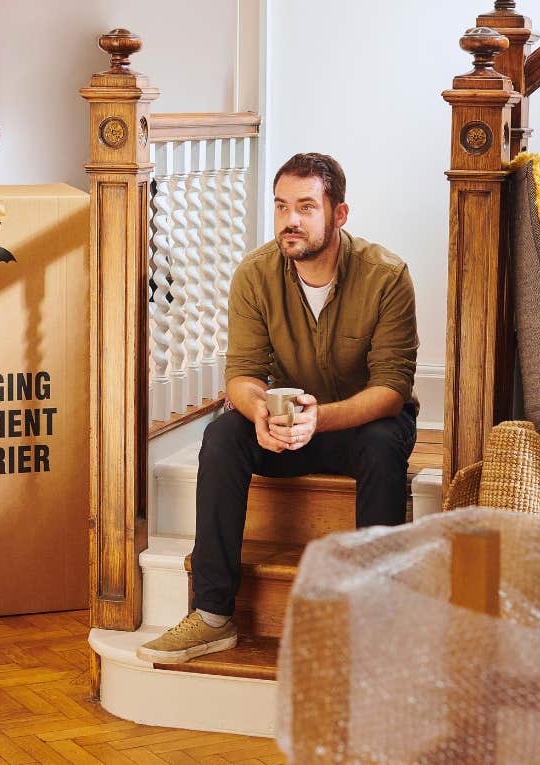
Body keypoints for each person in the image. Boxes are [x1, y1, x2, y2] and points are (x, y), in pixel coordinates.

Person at [136, 152, 419, 664]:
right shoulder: (255, 274)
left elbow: (392, 389)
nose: (290, 220)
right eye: (282, 206)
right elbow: (241, 374)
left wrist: (322, 419)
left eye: (307, 207)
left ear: (339, 214)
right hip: (285, 429)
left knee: (384, 445)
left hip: (358, 424)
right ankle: (212, 615)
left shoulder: (386, 275)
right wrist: (258, 414)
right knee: (222, 436)